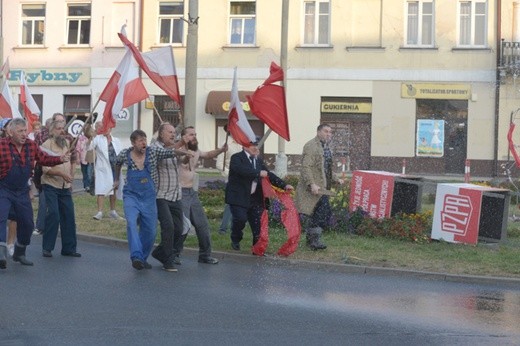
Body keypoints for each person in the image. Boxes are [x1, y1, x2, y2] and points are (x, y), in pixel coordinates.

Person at [0, 118, 70, 269]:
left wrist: (60, 159)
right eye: (20, 131)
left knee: (27, 223)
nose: (24, 134)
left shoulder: (31, 145)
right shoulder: (1, 145)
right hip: (3, 189)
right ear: (10, 132)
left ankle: (19, 251)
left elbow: (43, 158)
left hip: (22, 191)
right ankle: (1, 253)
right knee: (1, 217)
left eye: (25, 130)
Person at [113, 129, 188, 270]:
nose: (144, 143)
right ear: (133, 143)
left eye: (145, 140)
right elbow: (117, 163)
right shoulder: (125, 153)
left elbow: (170, 152)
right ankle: (136, 256)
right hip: (131, 195)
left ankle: (142, 258)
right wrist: (116, 179)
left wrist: (183, 152)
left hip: (149, 197)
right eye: (140, 140)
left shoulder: (153, 152)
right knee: (131, 222)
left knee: (150, 231)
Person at [225, 137, 293, 252]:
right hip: (239, 197)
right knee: (240, 220)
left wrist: (284, 185)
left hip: (255, 198)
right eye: (253, 145)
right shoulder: (237, 158)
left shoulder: (258, 160)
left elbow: (268, 175)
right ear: (245, 146)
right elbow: (241, 170)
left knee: (258, 225)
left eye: (257, 145)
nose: (256, 148)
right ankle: (236, 238)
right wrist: (258, 172)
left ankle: (257, 249)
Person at [174, 126, 226, 264]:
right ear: (183, 137)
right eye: (191, 134)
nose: (194, 137)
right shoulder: (176, 151)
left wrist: (221, 150)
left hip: (192, 192)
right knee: (183, 226)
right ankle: (175, 254)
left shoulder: (196, 151)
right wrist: (186, 156)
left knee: (202, 225)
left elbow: (208, 155)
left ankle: (205, 255)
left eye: (195, 134)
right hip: (181, 192)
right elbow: (183, 161)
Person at [295, 123, 344, 250]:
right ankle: (313, 241)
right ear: (318, 132)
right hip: (314, 189)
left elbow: (325, 168)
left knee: (321, 213)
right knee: (320, 213)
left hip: (322, 189)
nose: (329, 134)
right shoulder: (311, 146)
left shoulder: (325, 147)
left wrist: (336, 179)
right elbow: (306, 167)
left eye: (330, 132)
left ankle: (312, 240)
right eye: (326, 131)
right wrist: (312, 184)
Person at [40, 120, 81, 257]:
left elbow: (71, 161)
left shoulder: (67, 144)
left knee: (69, 216)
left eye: (63, 128)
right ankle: (47, 248)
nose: (62, 131)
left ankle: (69, 249)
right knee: (54, 214)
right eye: (58, 129)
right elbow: (45, 169)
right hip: (51, 185)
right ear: (52, 131)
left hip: (65, 186)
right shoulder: (46, 145)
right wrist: (62, 174)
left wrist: (70, 175)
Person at [150, 123, 184, 272]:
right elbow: (162, 153)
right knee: (168, 227)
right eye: (170, 132)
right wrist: (178, 149)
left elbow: (182, 161)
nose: (173, 135)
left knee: (179, 228)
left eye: (174, 132)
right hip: (161, 195)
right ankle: (168, 261)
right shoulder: (155, 147)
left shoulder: (174, 149)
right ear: (161, 133)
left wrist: (186, 156)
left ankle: (159, 252)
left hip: (175, 195)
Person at [89, 122, 123, 220]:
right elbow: (90, 147)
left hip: (115, 168)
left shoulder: (116, 140)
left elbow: (121, 153)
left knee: (114, 189)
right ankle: (99, 212)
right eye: (104, 128)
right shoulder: (98, 139)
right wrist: (92, 137)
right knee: (101, 189)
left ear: (111, 129)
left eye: (108, 128)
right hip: (103, 169)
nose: (106, 129)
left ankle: (113, 211)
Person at [215, 125, 242, 235]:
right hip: (232, 178)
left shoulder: (241, 144)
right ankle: (223, 228)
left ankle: (236, 228)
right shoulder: (225, 145)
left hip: (243, 178)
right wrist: (230, 174)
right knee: (230, 204)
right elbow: (219, 164)